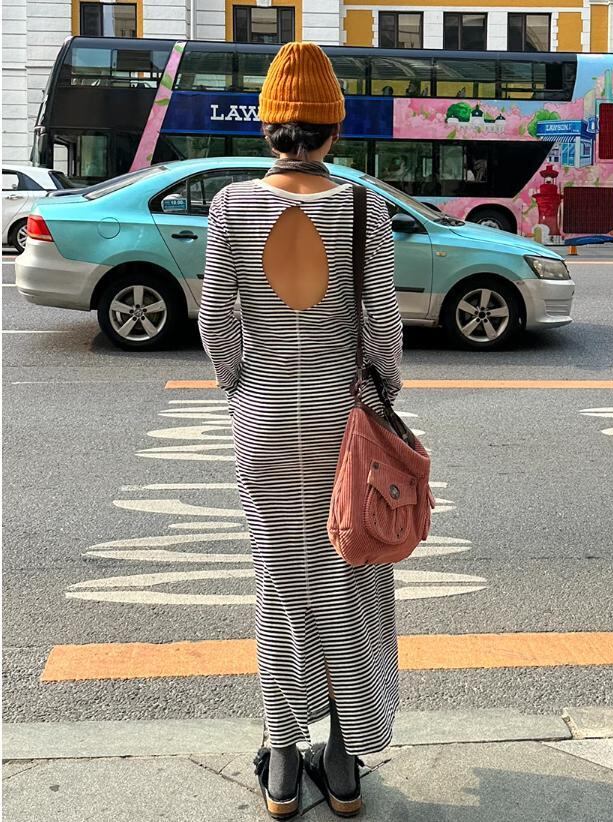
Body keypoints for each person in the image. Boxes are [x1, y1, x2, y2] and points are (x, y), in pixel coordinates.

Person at [198, 42, 403, 820]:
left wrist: (239, 388)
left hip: (262, 417)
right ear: (333, 129)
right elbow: (382, 328)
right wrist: (383, 395)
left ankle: (283, 766)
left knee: (280, 585)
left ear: (267, 127)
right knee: (349, 580)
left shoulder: (230, 206)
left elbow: (216, 322)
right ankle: (343, 768)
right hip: (340, 416)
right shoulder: (364, 208)